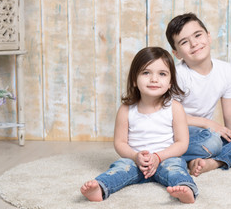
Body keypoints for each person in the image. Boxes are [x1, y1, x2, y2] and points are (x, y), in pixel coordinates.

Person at [80, 47, 198, 204]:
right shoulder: (126, 109)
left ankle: (186, 189)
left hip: (165, 159)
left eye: (162, 74)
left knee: (176, 168)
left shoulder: (174, 107)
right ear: (134, 80)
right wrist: (135, 156)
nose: (154, 79)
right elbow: (120, 143)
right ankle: (100, 188)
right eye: (146, 73)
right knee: (120, 168)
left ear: (170, 83)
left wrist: (158, 157)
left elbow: (182, 143)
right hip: (135, 162)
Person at [165, 13, 231, 177]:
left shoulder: (225, 70)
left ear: (208, 37)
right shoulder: (178, 76)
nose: (194, 43)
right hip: (177, 134)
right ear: (177, 53)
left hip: (207, 134)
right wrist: (207, 123)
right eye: (184, 42)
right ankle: (185, 156)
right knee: (212, 141)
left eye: (198, 35)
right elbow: (167, 116)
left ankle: (212, 162)